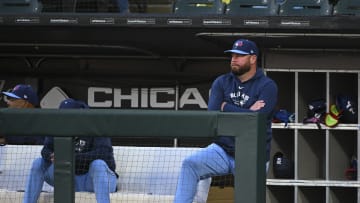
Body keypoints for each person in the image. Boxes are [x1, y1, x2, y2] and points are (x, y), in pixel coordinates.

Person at [173, 39, 278, 203]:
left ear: (252, 58)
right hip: (222, 149)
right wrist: (248, 111)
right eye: (232, 55)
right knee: (190, 164)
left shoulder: (267, 86)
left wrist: (226, 107)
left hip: (252, 154)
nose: (234, 59)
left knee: (248, 197)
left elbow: (257, 119)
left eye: (240, 56)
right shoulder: (222, 82)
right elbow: (213, 113)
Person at [23, 98, 118, 203]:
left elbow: (103, 154)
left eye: (68, 116)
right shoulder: (57, 126)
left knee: (98, 164)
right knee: (38, 163)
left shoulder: (95, 125)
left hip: (95, 180)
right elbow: (45, 149)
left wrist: (69, 158)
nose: (64, 119)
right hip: (69, 181)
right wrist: (52, 155)